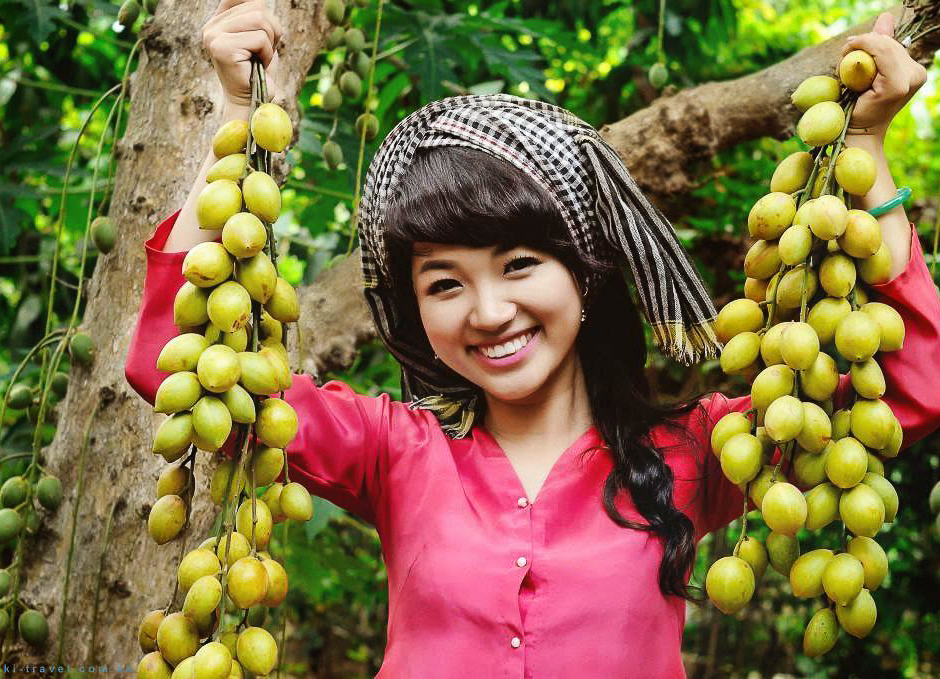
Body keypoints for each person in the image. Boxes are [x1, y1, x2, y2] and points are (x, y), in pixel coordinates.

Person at [125, 3, 940, 676]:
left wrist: (863, 147)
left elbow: (907, 390)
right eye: (444, 283)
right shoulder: (393, 449)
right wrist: (237, 115)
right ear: (415, 312)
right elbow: (179, 361)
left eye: (519, 264)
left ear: (584, 276)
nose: (486, 310)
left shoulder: (695, 451)